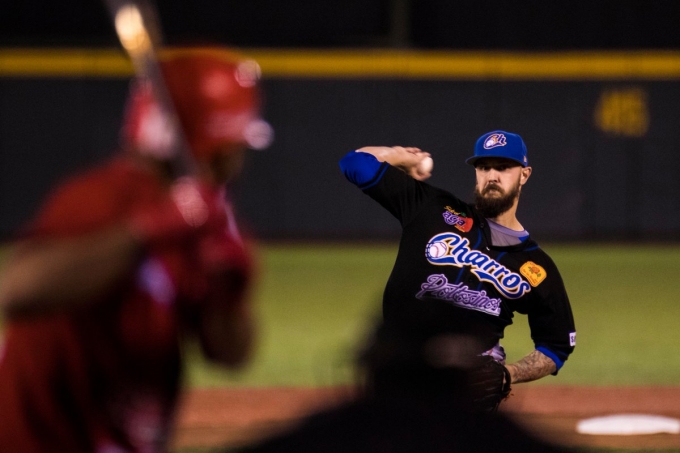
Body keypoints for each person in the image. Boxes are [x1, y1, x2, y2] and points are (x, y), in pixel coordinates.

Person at [0, 46, 269, 452]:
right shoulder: (101, 199)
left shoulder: (212, 225)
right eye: (234, 145)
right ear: (216, 146)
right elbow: (18, 290)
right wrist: (146, 231)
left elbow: (231, 355)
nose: (239, 159)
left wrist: (228, 297)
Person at [338, 131, 576, 412]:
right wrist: (402, 156)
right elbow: (354, 163)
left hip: (467, 386)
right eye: (484, 167)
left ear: (524, 175)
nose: (492, 176)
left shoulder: (537, 266)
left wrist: (507, 374)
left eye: (503, 167)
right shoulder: (431, 208)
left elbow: (556, 346)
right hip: (400, 366)